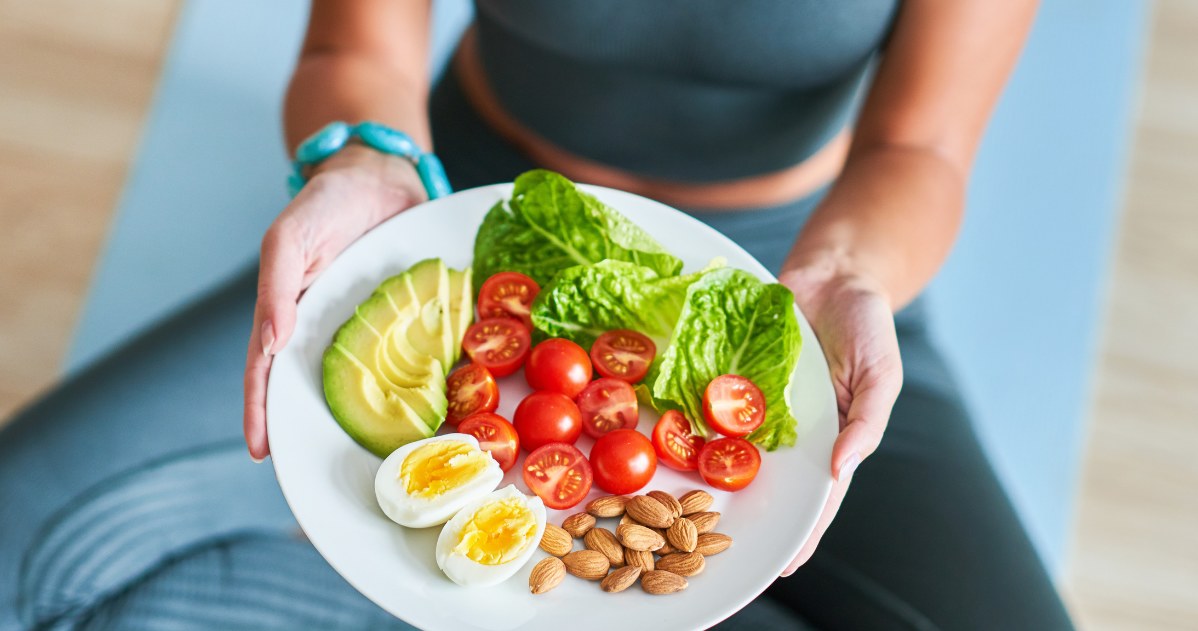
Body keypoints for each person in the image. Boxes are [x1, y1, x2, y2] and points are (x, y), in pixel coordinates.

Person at [0, 1, 1075, 629]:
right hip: (448, 225)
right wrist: (364, 156)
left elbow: (918, 153)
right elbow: (351, 47)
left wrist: (847, 273)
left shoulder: (816, 287)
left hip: (788, 284)